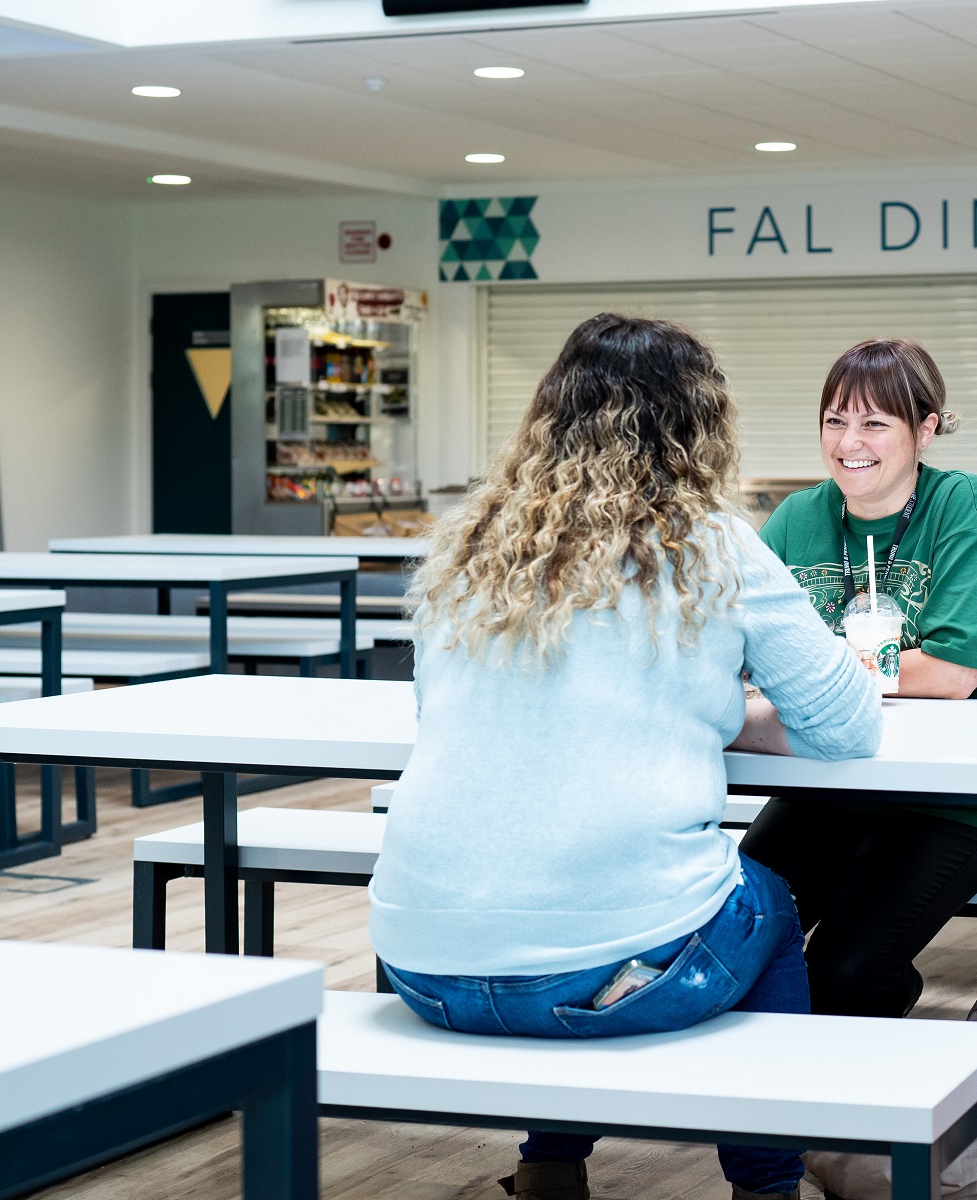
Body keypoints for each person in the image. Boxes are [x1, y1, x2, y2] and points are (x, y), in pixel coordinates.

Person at [368, 314, 883, 1200]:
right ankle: (768, 1189)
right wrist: (725, 709)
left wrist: (684, 706)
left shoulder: (470, 545)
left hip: (421, 964)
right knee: (763, 899)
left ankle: (549, 1171)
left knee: (575, 910)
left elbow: (443, 716)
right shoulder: (711, 543)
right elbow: (846, 726)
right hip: (610, 977)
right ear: (699, 422)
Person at [745, 337, 977, 1020]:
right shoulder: (796, 518)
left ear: (925, 429)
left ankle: (886, 1018)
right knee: (735, 942)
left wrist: (813, 683)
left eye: (876, 423)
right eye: (835, 421)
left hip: (949, 799)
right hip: (826, 788)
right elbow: (736, 653)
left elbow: (955, 672)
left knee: (841, 975)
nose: (850, 442)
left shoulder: (962, 505)